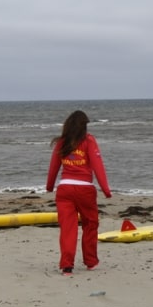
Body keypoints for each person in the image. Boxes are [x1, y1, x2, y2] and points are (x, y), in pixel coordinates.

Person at [46, 110, 112, 276]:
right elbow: (98, 165)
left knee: (68, 228)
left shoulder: (62, 142)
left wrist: (49, 186)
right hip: (85, 190)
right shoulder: (89, 140)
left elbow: (54, 166)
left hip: (64, 189)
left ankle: (67, 266)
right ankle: (90, 262)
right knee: (90, 224)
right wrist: (106, 190)